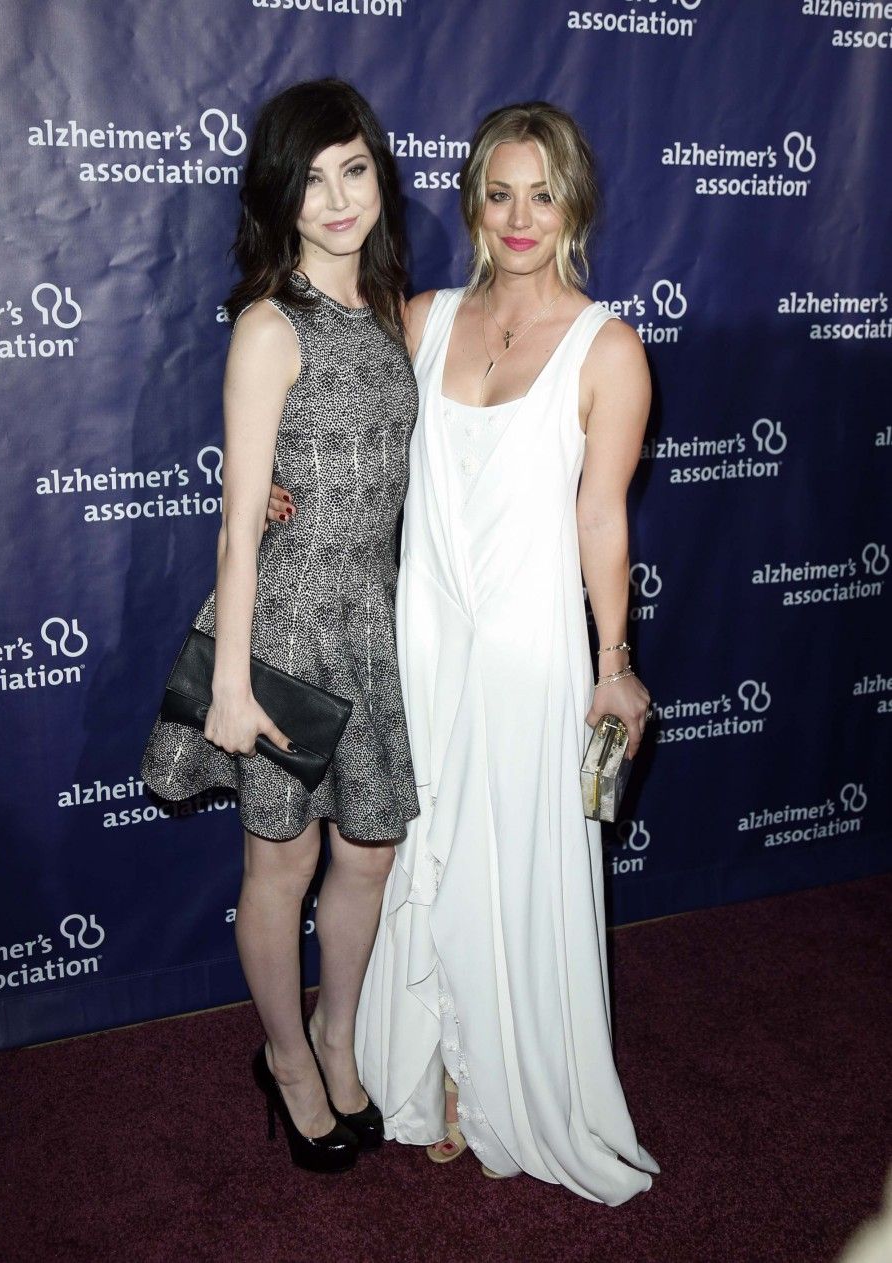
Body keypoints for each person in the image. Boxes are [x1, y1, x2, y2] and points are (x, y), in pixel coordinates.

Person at [352, 101, 660, 1202]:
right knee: (419, 846)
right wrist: (280, 478)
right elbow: (335, 406)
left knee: (507, 862)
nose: (519, 216)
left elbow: (598, 520)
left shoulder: (607, 347)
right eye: (499, 191)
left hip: (530, 647)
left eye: (541, 193)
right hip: (421, 633)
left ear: (571, 201)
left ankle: (506, 1085)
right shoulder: (422, 318)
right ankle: (424, 1067)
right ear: (472, 199)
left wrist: (611, 661)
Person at [141, 79, 419, 1174]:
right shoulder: (268, 325)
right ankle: (288, 1060)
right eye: (310, 177)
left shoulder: (393, 312)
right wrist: (232, 685)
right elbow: (237, 523)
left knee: (369, 854)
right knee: (281, 865)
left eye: (352, 169)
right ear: (279, 196)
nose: (336, 197)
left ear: (377, 177)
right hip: (289, 624)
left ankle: (338, 1038)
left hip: (374, 620)